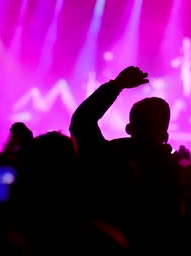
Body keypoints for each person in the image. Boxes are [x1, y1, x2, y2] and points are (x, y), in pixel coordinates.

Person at [69, 66, 183, 250]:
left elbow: (82, 122)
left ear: (129, 129)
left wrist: (116, 85)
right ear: (165, 134)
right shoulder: (177, 173)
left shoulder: (108, 156)